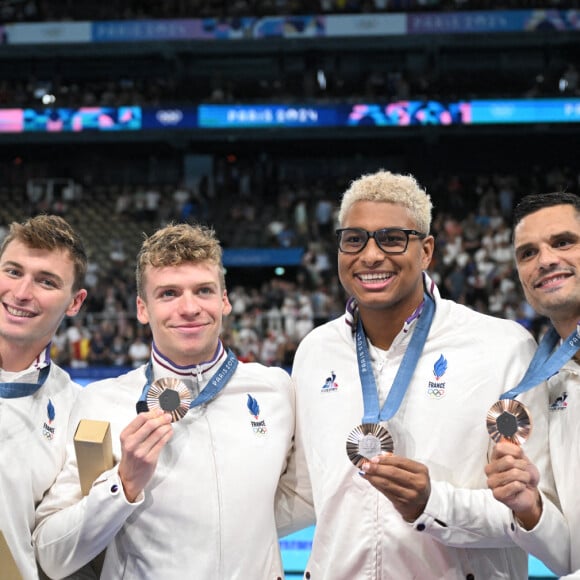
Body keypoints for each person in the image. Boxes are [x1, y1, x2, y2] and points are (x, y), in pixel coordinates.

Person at [281, 170, 557, 579]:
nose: (371, 255)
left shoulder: (502, 347)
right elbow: (306, 492)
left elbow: (535, 512)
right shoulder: (315, 351)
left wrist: (433, 505)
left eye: (392, 238)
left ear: (426, 250)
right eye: (354, 239)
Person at [33, 222, 296, 579]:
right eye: (169, 293)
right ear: (142, 308)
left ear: (225, 300)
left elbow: (305, 498)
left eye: (203, 291)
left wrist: (233, 529)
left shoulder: (276, 390)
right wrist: (122, 485)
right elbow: (51, 553)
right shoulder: (100, 402)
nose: (189, 308)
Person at [485, 191, 580, 577]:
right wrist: (530, 508)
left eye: (563, 242)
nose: (545, 261)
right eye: (527, 253)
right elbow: (567, 558)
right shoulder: (547, 379)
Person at [0, 214, 88, 579]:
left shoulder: (78, 411)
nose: (21, 293)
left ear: (74, 302)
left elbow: (60, 553)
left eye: (46, 282)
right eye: (13, 271)